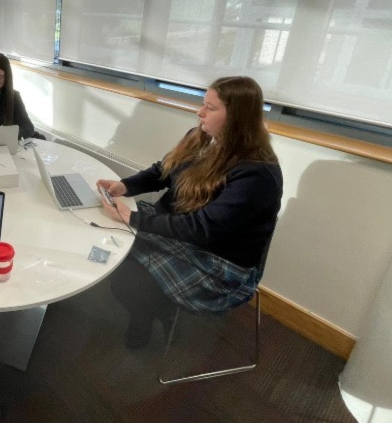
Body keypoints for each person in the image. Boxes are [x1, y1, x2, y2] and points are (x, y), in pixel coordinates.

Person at [96, 76, 283, 349]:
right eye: (202, 104)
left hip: (215, 259)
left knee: (125, 277)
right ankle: (150, 308)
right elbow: (162, 170)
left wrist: (133, 218)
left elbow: (202, 229)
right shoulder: (202, 137)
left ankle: (151, 314)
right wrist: (125, 186)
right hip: (181, 230)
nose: (200, 112)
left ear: (238, 118)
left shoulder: (257, 172)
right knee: (109, 243)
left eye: (211, 107)